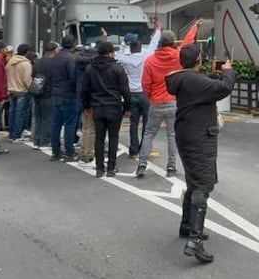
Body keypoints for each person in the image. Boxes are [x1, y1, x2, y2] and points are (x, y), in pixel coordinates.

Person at [165, 45, 237, 264]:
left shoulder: (184, 79)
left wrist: (215, 75)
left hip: (187, 134)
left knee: (193, 181)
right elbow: (224, 88)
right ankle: (195, 240)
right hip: (199, 137)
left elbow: (207, 86)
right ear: (198, 59)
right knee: (202, 186)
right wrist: (228, 71)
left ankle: (187, 226)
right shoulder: (194, 80)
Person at [137, 22, 201, 178]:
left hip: (156, 101)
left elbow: (145, 83)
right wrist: (194, 27)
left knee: (149, 133)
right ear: (173, 42)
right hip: (174, 101)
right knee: (172, 135)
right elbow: (187, 43)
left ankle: (142, 163)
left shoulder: (150, 60)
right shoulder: (178, 56)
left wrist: (151, 97)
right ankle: (171, 167)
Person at [81, 41, 131, 178]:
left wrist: (86, 106)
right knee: (113, 138)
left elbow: (85, 90)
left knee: (99, 138)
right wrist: (128, 107)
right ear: (110, 52)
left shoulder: (90, 68)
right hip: (114, 106)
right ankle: (111, 168)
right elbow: (125, 90)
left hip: (97, 106)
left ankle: (99, 168)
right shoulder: (117, 68)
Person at [119, 24, 162, 158]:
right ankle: (145, 150)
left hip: (131, 93)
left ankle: (133, 150)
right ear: (140, 48)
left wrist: (124, 44)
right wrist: (158, 30)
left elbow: (118, 55)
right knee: (147, 124)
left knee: (133, 123)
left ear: (130, 50)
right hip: (145, 93)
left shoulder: (125, 60)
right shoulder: (146, 57)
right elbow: (153, 44)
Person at [37, 35, 79, 162]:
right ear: (73, 44)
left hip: (56, 93)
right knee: (70, 125)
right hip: (69, 95)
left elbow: (50, 77)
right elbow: (73, 77)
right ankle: (69, 152)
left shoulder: (55, 58)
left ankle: (56, 152)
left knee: (56, 124)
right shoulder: (70, 58)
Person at [32, 42, 57, 151]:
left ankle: (37, 140)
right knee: (48, 118)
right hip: (49, 92)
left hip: (37, 91)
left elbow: (33, 75)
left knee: (38, 117)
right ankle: (45, 141)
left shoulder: (38, 62)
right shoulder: (53, 63)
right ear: (54, 50)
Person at [6, 43, 33, 142]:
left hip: (11, 90)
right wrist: (30, 88)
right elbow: (27, 79)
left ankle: (11, 133)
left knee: (12, 112)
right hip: (22, 91)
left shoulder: (10, 62)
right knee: (20, 113)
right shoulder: (26, 64)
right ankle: (17, 134)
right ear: (27, 52)